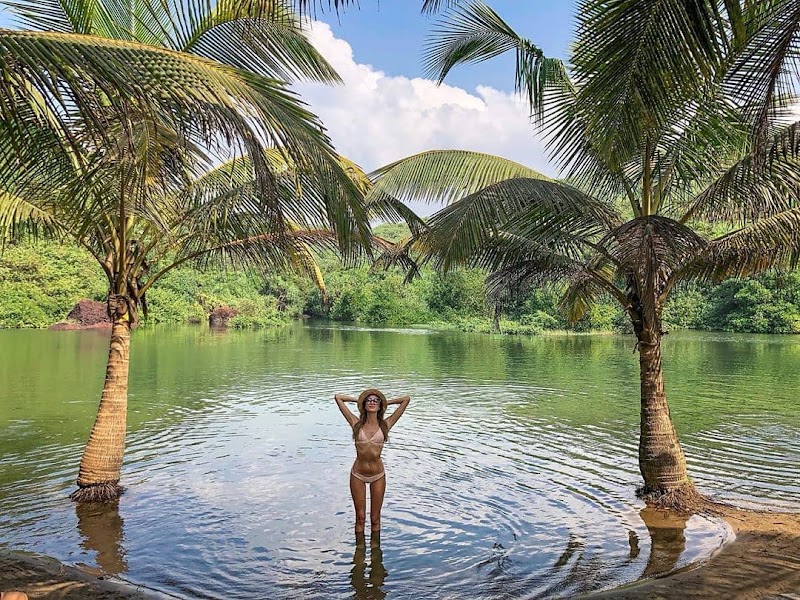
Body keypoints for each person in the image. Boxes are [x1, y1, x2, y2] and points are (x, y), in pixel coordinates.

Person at [334, 389, 410, 533]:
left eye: (375, 400)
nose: (372, 402)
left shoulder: (386, 424)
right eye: (369, 400)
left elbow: (406, 399)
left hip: (378, 475)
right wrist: (359, 401)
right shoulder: (355, 423)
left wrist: (385, 402)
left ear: (380, 405)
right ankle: (359, 553)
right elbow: (338, 398)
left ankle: (376, 553)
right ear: (364, 404)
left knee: (375, 519)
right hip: (358, 474)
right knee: (360, 517)